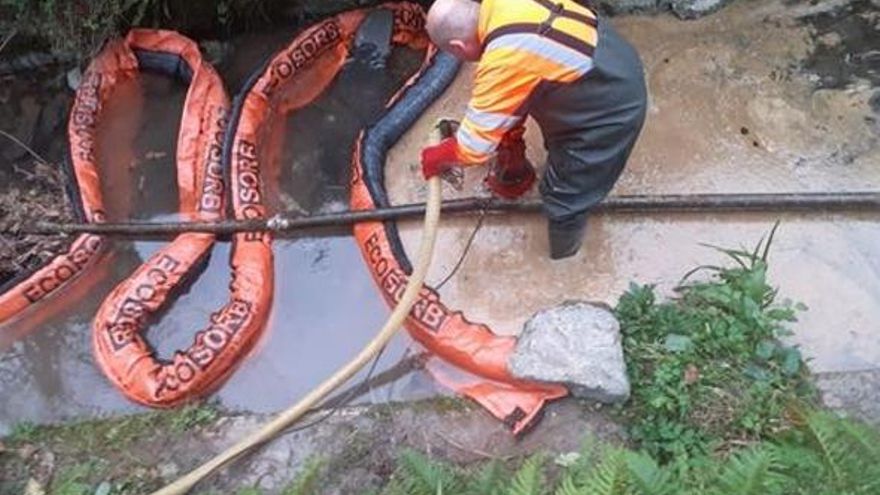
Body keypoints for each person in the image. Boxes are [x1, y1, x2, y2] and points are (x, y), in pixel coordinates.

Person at [421, 0, 648, 259]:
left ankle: (565, 258)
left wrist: (435, 157)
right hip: (610, 53)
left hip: (611, 107)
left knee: (565, 194)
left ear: (458, 47)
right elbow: (514, 94)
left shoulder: (506, 58)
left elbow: (473, 149)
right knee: (550, 129)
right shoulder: (501, 8)